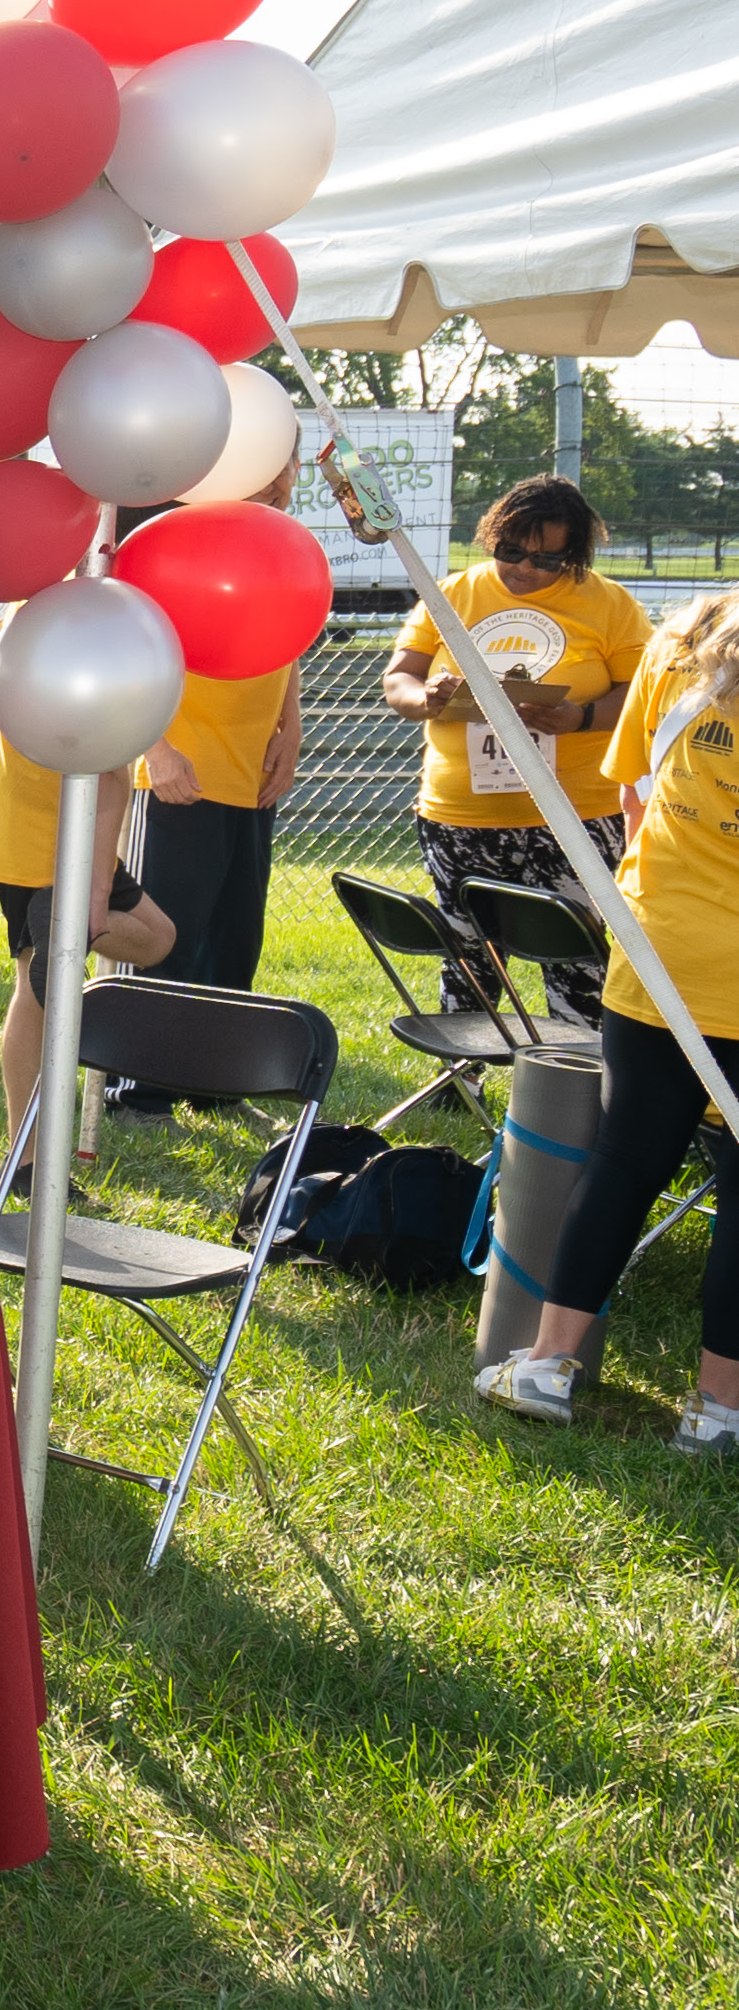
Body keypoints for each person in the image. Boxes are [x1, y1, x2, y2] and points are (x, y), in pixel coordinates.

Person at [479, 590, 739, 1458]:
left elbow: (630, 795)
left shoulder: (678, 639)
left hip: (659, 952)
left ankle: (548, 1364)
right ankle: (716, 1411)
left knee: (625, 1158)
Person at [382, 474, 652, 1015]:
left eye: (548, 559)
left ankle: (571, 1083)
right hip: (459, 816)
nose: (526, 568)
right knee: (468, 958)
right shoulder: (454, 592)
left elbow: (642, 696)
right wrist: (428, 699)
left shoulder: (610, 605)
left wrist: (580, 717)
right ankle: (465, 1081)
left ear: (574, 555)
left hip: (573, 815)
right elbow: (398, 681)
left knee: (577, 960)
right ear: (493, 537)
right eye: (512, 552)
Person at [119, 500, 303, 1024]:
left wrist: (292, 724)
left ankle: (215, 1081)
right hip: (177, 777)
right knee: (163, 942)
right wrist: (155, 749)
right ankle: (140, 1089)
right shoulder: (172, 530)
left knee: (234, 946)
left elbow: (286, 636)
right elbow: (124, 641)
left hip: (252, 777)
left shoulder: (272, 541)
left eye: (285, 462)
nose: (275, 477)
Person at [0, 724, 177, 1140]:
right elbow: (112, 774)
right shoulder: (102, 658)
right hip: (52, 821)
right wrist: (96, 891)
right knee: (34, 991)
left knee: (157, 937)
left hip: (25, 811)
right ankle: (27, 1158)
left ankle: (62, 928)